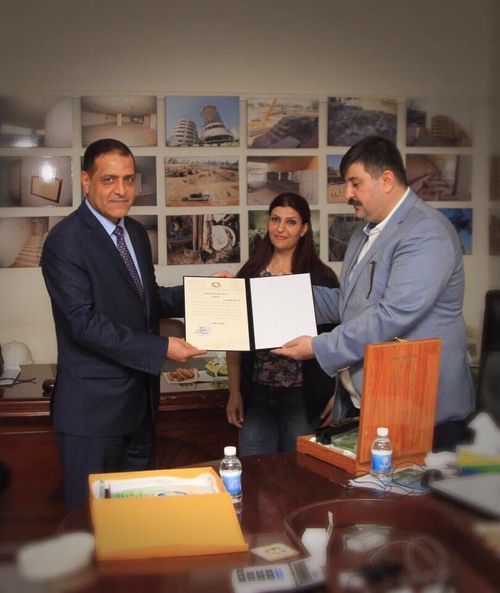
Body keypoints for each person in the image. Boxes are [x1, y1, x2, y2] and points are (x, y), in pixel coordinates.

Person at [273, 136, 475, 451]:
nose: (347, 194)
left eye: (355, 183)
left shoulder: (426, 233)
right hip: (373, 406)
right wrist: (287, 295)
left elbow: (392, 316)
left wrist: (318, 347)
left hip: (421, 414)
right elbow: (349, 303)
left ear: (387, 180)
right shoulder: (364, 232)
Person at [41, 138, 206, 511]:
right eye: (109, 180)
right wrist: (162, 348)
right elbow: (82, 322)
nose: (121, 190)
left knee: (137, 521)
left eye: (129, 179)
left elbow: (149, 299)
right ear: (86, 181)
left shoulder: (134, 233)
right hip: (92, 416)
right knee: (91, 525)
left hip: (140, 410)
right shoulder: (65, 241)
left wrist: (206, 293)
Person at [226, 192, 339, 455]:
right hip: (256, 393)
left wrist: (338, 394)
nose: (280, 228)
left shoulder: (321, 278)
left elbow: (341, 338)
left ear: (304, 229)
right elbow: (234, 338)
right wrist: (234, 392)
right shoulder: (251, 273)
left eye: (291, 222)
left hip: (304, 396)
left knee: (302, 471)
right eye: (275, 219)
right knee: (253, 470)